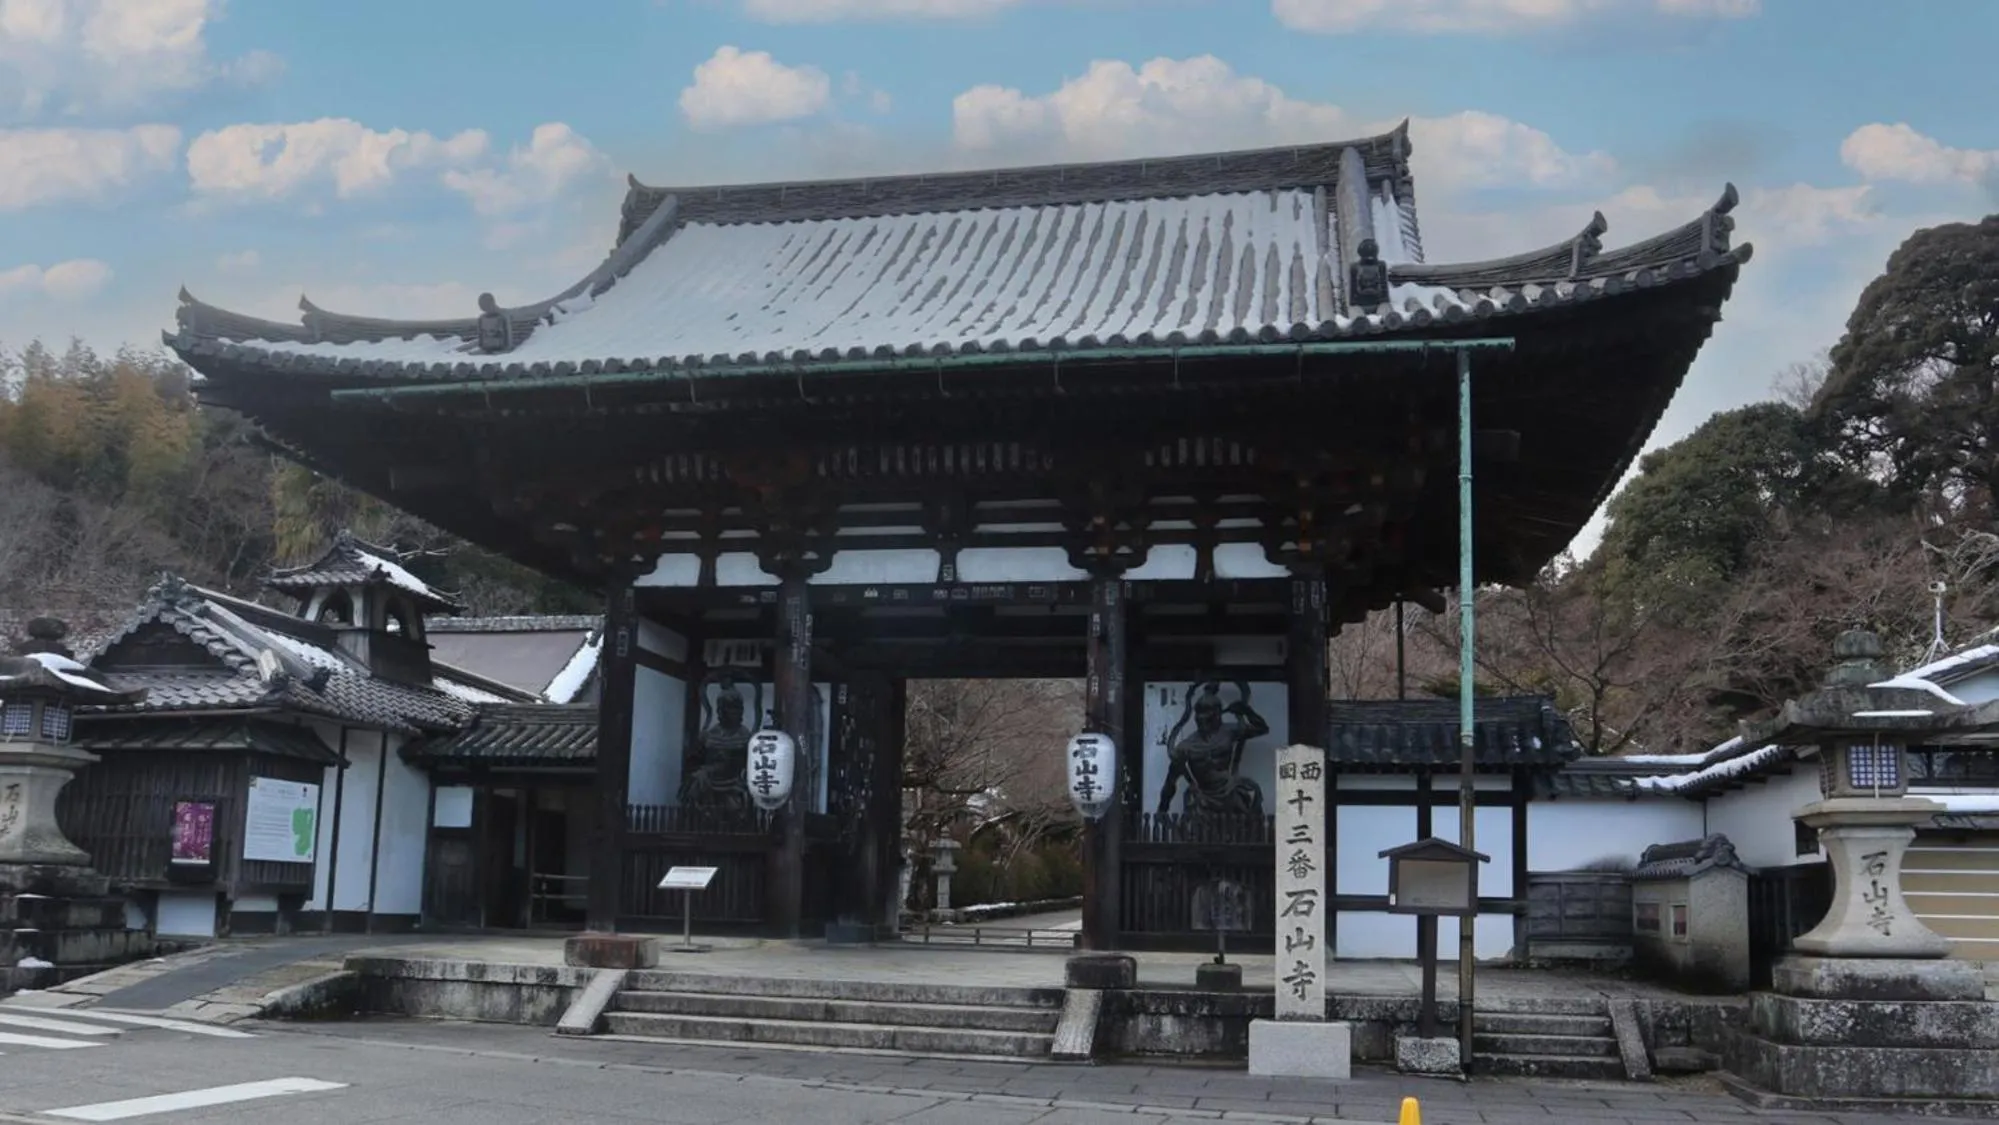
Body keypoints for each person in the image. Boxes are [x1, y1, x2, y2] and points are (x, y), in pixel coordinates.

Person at [1155, 681, 1268, 818]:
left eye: (1210, 717)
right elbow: (1170, 782)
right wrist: (1162, 810)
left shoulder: (1228, 732)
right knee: (1192, 803)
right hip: (1203, 794)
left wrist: (1247, 711)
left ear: (1218, 715)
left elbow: (1262, 729)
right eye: (1200, 717)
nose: (1204, 721)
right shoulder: (1187, 747)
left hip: (1229, 788)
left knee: (1251, 791)